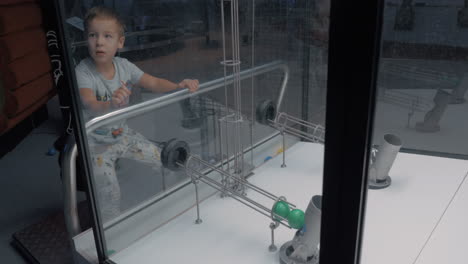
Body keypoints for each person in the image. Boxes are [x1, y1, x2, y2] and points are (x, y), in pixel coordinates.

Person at [75, 6, 199, 221]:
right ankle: (111, 229)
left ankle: (174, 199)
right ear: (86, 39)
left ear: (119, 43)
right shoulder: (83, 71)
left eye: (107, 36)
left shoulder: (124, 66)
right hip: (95, 144)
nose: (99, 42)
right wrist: (111, 104)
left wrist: (178, 86)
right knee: (109, 192)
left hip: (123, 134)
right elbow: (89, 104)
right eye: (93, 35)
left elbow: (153, 82)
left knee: (161, 158)